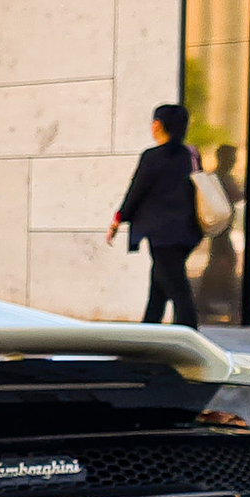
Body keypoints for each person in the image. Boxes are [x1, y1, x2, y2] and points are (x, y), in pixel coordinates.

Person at [106, 103, 204, 328]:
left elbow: (136, 191)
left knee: (179, 292)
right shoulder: (191, 154)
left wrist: (118, 219)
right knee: (159, 287)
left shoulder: (152, 157)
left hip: (162, 235)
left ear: (158, 125)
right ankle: (148, 331)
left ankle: (189, 338)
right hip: (188, 232)